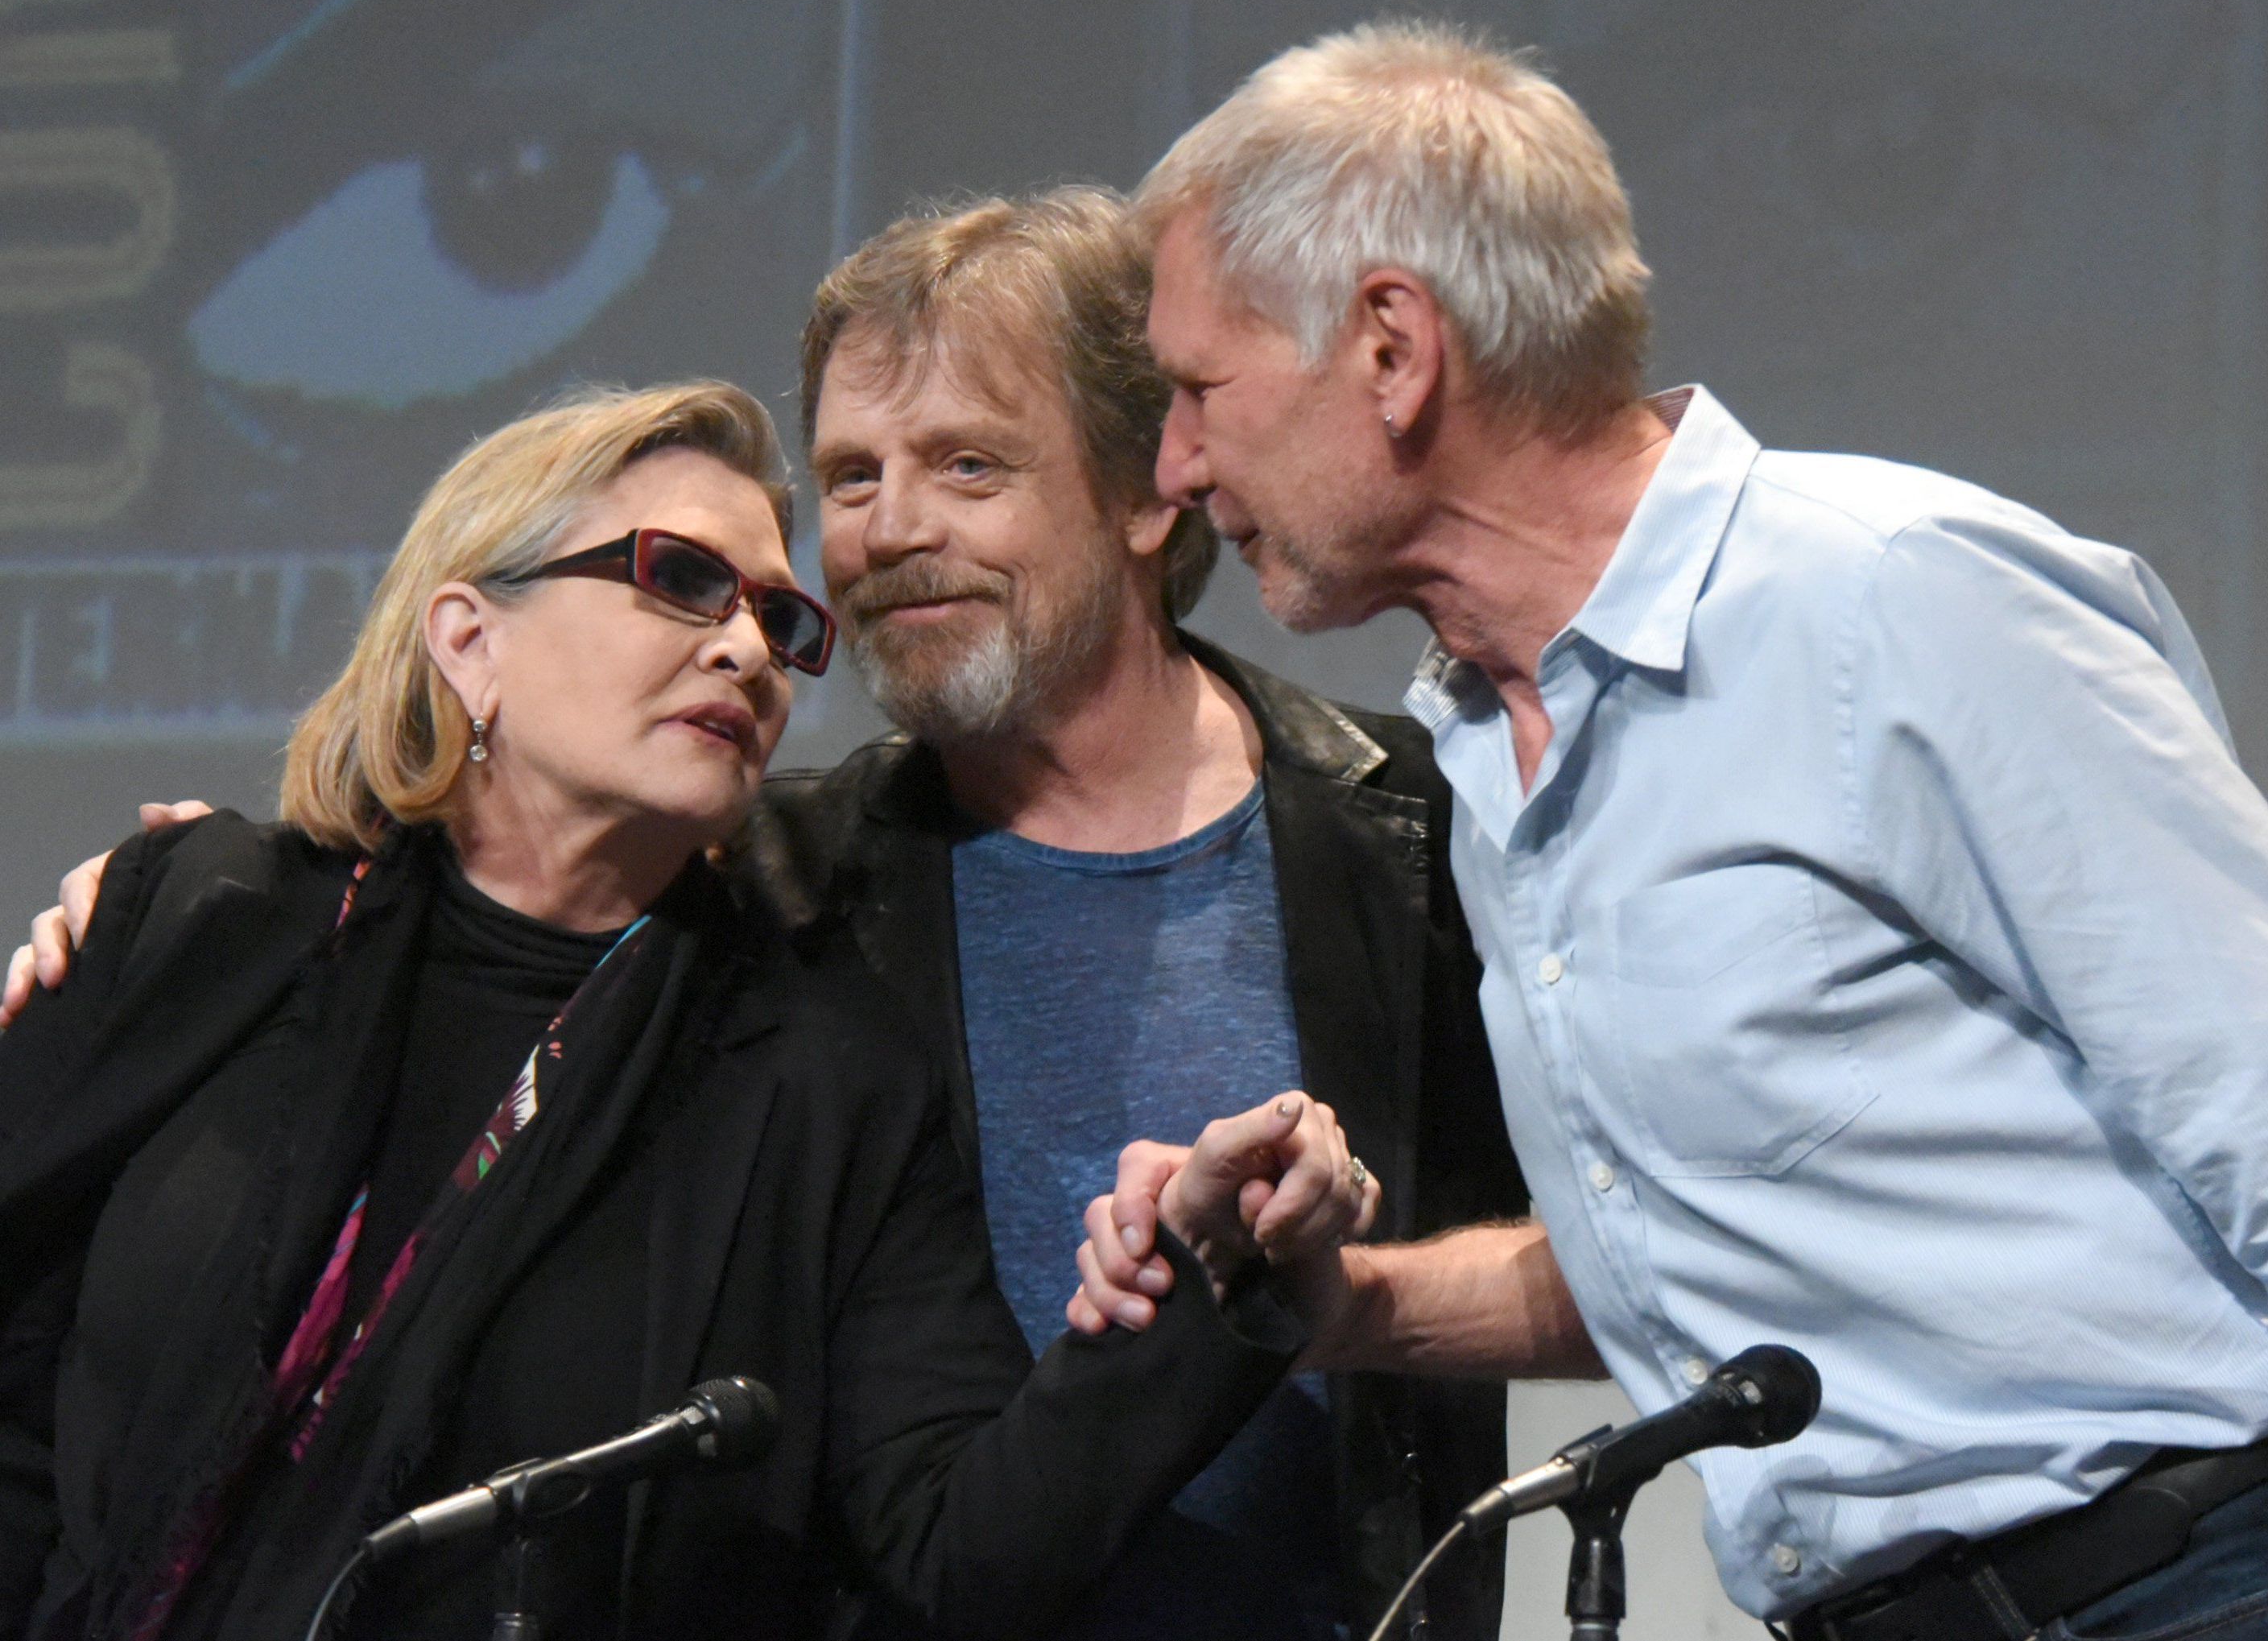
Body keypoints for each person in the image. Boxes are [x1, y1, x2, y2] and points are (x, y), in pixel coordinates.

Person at [4, 188, 1592, 1641]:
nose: (878, 536)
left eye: (967, 463)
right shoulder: (754, 890)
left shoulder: (1403, 832)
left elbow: (1653, 1258)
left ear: (1147, 491)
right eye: (848, 479)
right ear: (466, 639)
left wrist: (1252, 1285)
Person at [1070, 19, 2268, 1640]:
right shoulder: (1491, 745)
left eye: (1200, 387)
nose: (1175, 461)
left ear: (1389, 348)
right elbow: (1695, 1259)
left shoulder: (1892, 603)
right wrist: (1335, 1302)